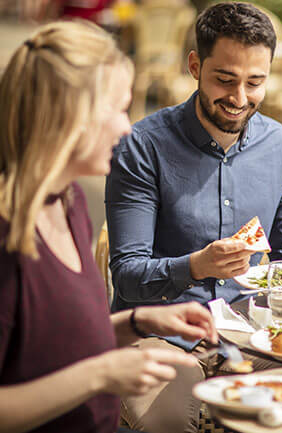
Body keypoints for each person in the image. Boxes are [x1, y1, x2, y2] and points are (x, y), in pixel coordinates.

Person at [104, 2, 282, 432]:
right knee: (168, 424)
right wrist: (196, 266)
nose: (240, 99)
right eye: (225, 79)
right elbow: (126, 275)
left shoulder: (280, 145)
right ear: (195, 65)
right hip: (162, 339)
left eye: (255, 82)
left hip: (252, 335)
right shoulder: (142, 146)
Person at [0, 20, 219, 433]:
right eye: (118, 108)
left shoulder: (68, 203)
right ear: (70, 115)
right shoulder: (6, 232)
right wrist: (101, 375)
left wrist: (139, 323)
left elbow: (57, 344)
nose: (126, 126)